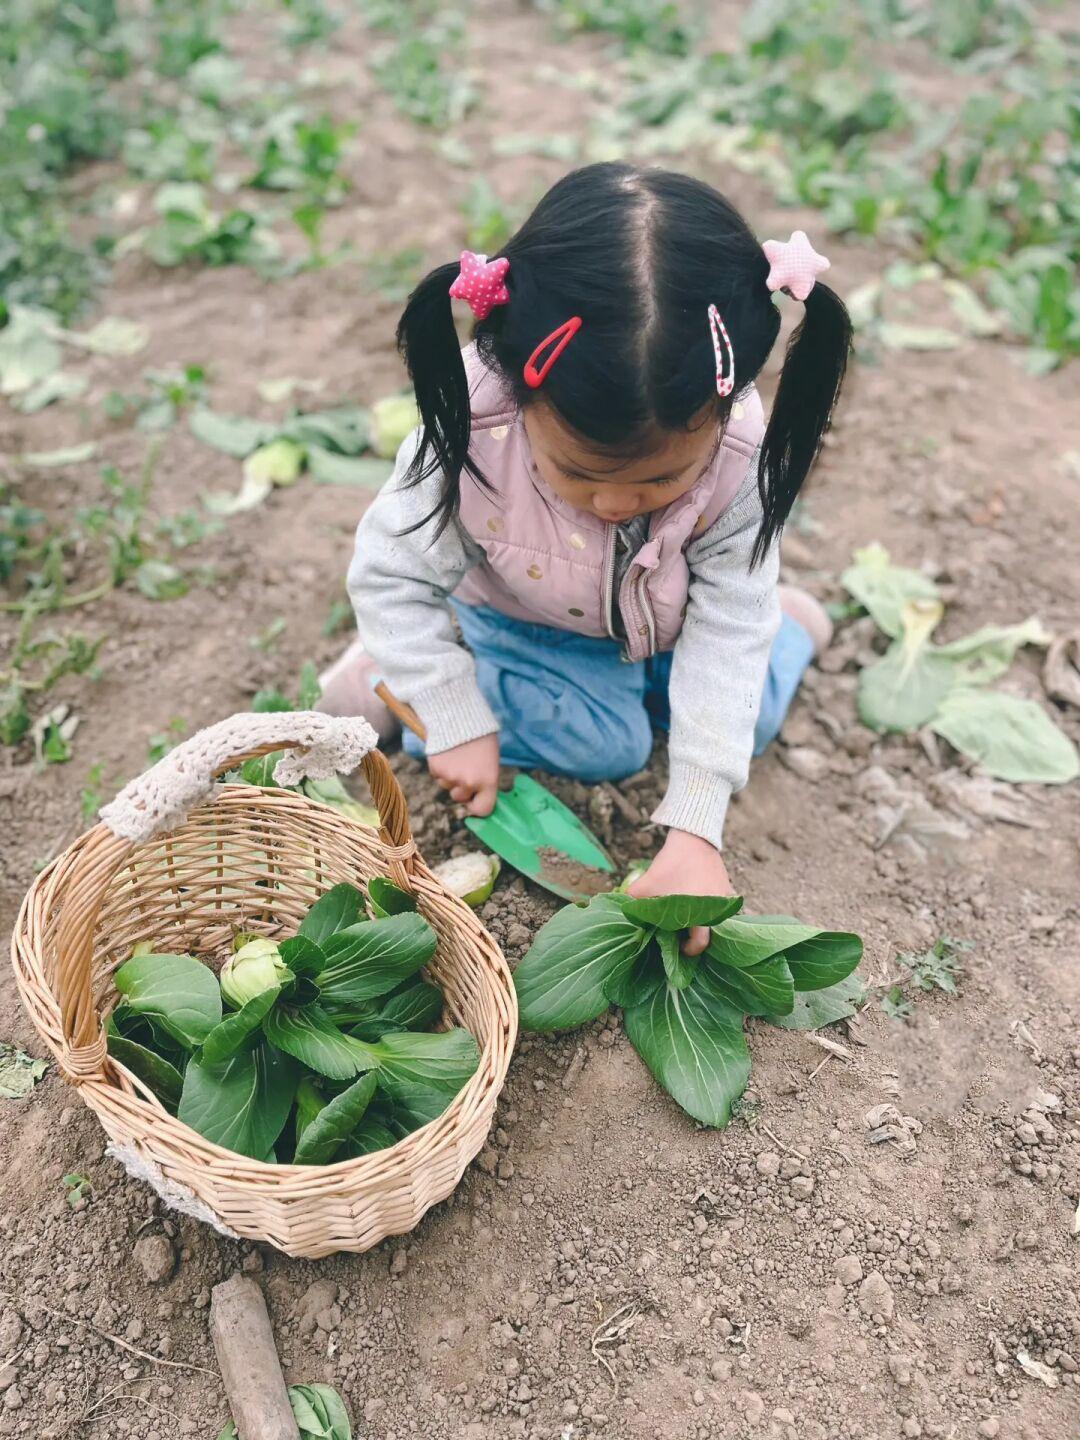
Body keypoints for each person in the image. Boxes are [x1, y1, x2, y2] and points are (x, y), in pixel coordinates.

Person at [321, 163, 850, 954]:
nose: (613, 505)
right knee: (613, 746)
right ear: (519, 390)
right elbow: (392, 570)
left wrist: (698, 828)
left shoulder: (739, 453)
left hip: (653, 627)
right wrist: (455, 718)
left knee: (748, 716)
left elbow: (728, 630)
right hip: (514, 618)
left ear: (720, 410)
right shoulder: (477, 426)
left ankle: (793, 628)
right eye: (580, 475)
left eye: (661, 480)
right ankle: (390, 674)